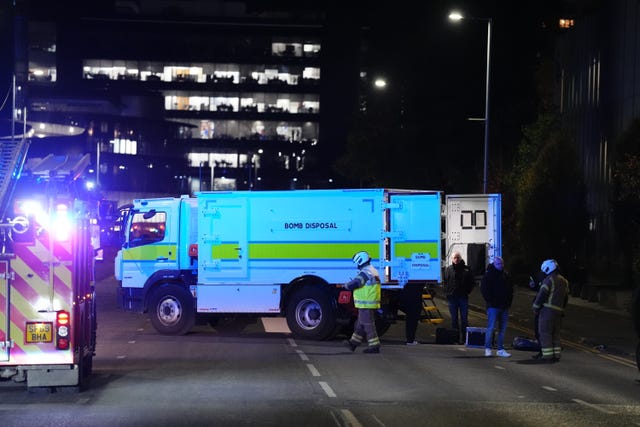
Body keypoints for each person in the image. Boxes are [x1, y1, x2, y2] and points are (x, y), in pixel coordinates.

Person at [341, 251, 382, 354]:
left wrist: (345, 286)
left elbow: (357, 283)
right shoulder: (372, 270)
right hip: (369, 302)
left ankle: (374, 346)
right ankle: (353, 343)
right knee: (360, 324)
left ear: (361, 261)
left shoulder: (366, 272)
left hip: (366, 303)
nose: (357, 265)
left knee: (368, 325)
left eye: (357, 262)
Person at [532, 259, 570, 362]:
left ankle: (547, 355)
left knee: (545, 333)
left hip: (547, 311)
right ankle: (556, 355)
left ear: (548, 268)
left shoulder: (549, 280)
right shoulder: (564, 281)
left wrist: (535, 307)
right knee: (556, 334)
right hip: (559, 312)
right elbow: (566, 298)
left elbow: (542, 295)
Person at [480, 256, 513, 357]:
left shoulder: (505, 275)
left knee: (502, 329)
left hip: (504, 306)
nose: (501, 266)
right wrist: (490, 301)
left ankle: (500, 349)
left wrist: (508, 302)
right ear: (494, 264)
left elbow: (510, 290)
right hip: (493, 306)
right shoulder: (489, 275)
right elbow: (484, 290)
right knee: (491, 328)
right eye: (498, 264)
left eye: (502, 264)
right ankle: (488, 348)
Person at [443, 251, 475, 343]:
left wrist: (467, 291)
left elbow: (471, 282)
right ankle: (455, 339)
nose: (456, 259)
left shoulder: (467, 269)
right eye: (454, 258)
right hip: (452, 298)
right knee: (454, 319)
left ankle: (465, 339)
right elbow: (445, 282)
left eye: (457, 257)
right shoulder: (448, 269)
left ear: (460, 258)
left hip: (463, 297)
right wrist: (447, 292)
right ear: (452, 259)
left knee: (464, 319)